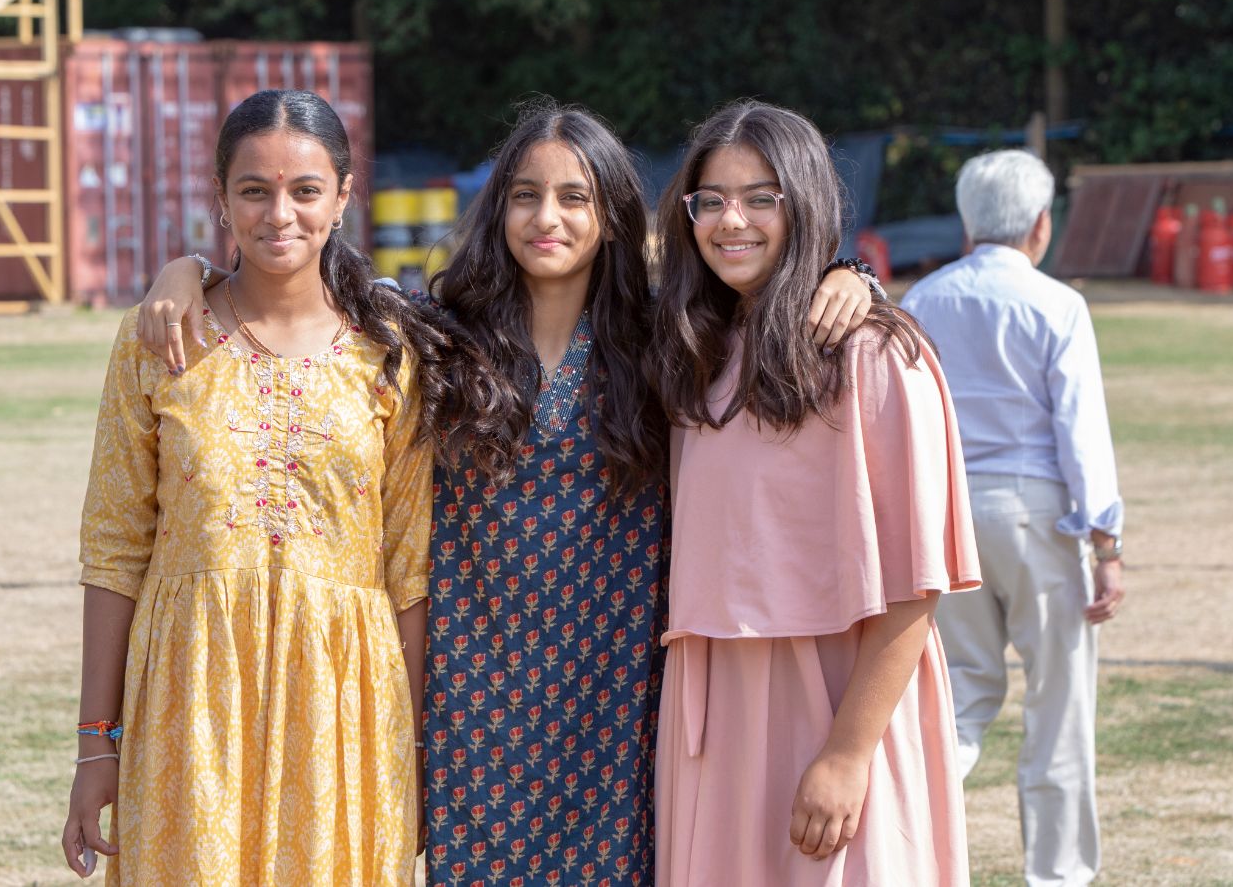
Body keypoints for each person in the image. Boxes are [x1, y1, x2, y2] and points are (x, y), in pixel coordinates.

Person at [133, 98, 882, 886]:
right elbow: (298, 284)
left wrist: (848, 273)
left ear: (612, 216)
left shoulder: (666, 341)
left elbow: (756, 292)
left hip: (618, 709)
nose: (545, 217)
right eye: (525, 194)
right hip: (472, 710)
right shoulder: (433, 335)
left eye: (573, 197)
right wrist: (189, 271)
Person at [60, 89, 514, 886]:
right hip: (188, 695)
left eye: (305, 190)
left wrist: (410, 748)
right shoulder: (160, 338)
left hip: (346, 702)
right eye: (254, 190)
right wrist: (97, 739)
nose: (281, 213)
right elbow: (113, 549)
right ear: (221, 199)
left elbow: (407, 567)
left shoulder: (392, 352)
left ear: (343, 196)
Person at [651, 100, 980, 887]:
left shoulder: (874, 356)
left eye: (762, 197)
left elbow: (915, 585)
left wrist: (846, 754)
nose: (733, 221)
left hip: (835, 702)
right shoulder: (697, 351)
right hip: (714, 717)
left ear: (807, 204)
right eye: (712, 200)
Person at [900, 150, 1125, 887]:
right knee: (1057, 706)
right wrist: (1107, 537)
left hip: (947, 514)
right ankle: (1056, 875)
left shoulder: (922, 300)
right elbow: (1080, 430)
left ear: (968, 222)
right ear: (1041, 224)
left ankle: (905, 851)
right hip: (1035, 514)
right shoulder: (1058, 304)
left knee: (958, 699)